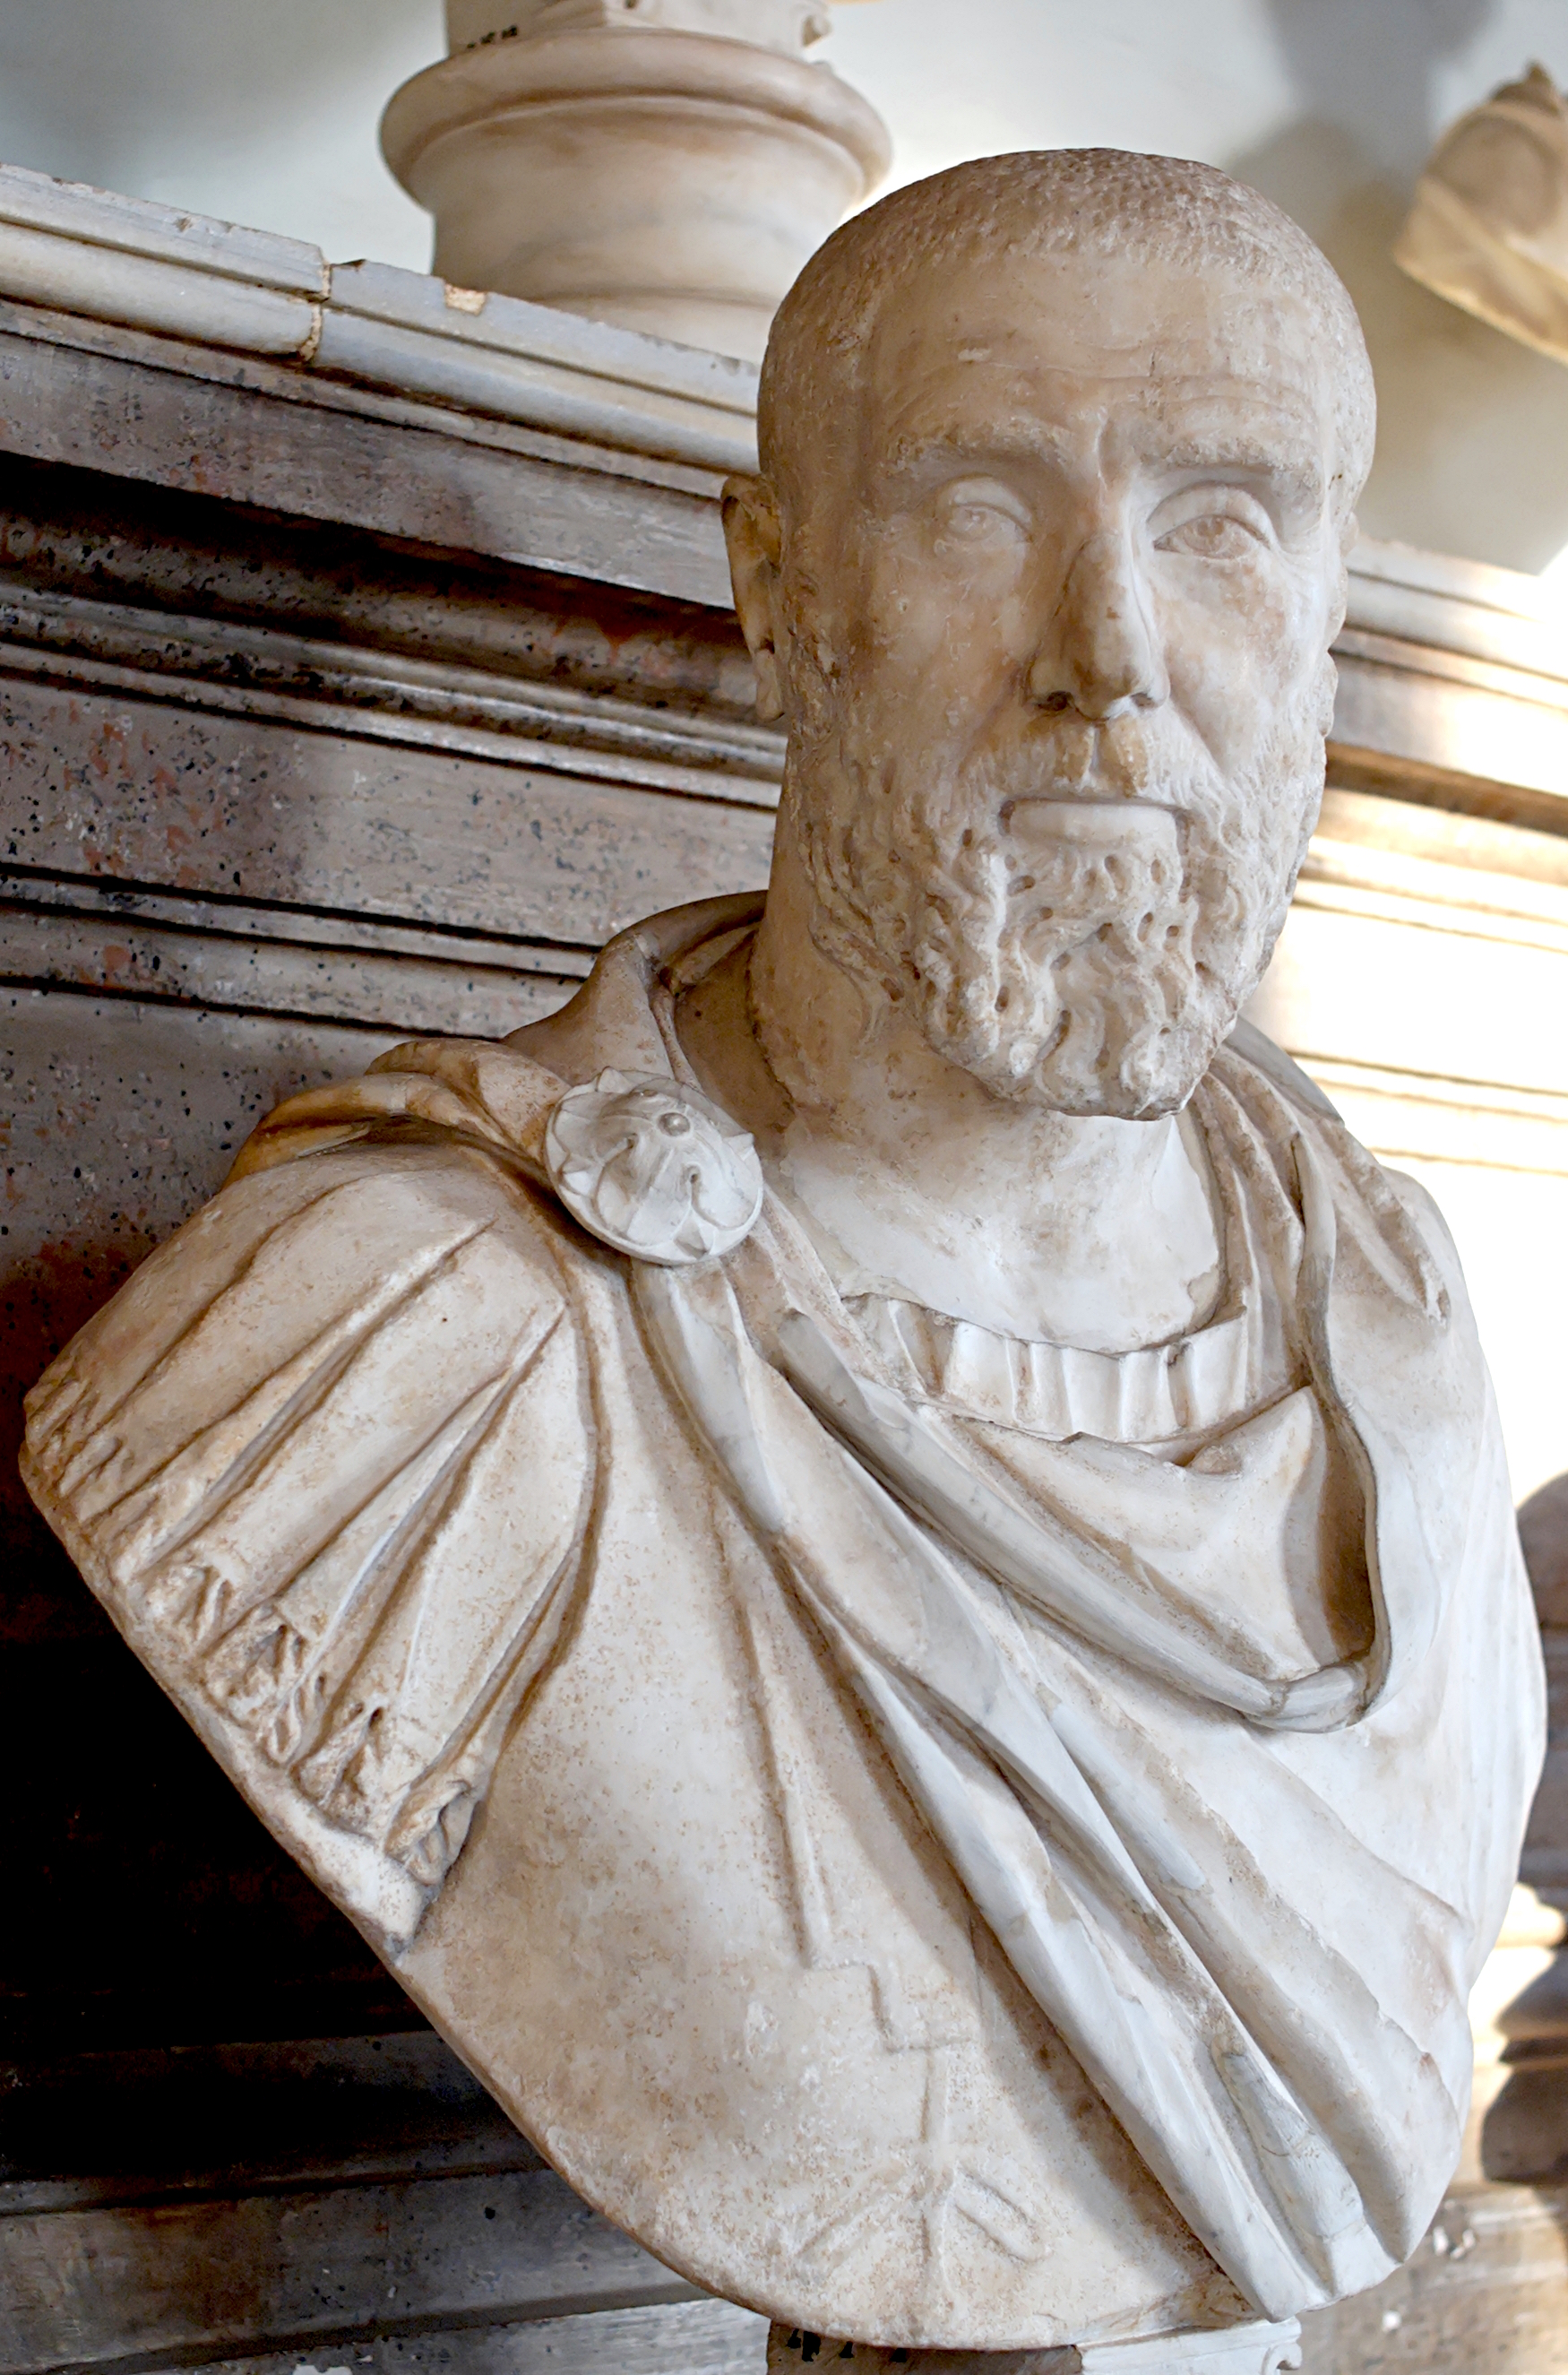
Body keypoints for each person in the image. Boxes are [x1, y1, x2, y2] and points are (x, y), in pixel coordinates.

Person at [22, 151, 1543, 2368]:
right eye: (979, 506)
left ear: (1321, 607)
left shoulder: (1390, 1339)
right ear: (775, 585)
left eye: (1222, 521)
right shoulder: (403, 1334)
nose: (1106, 651)